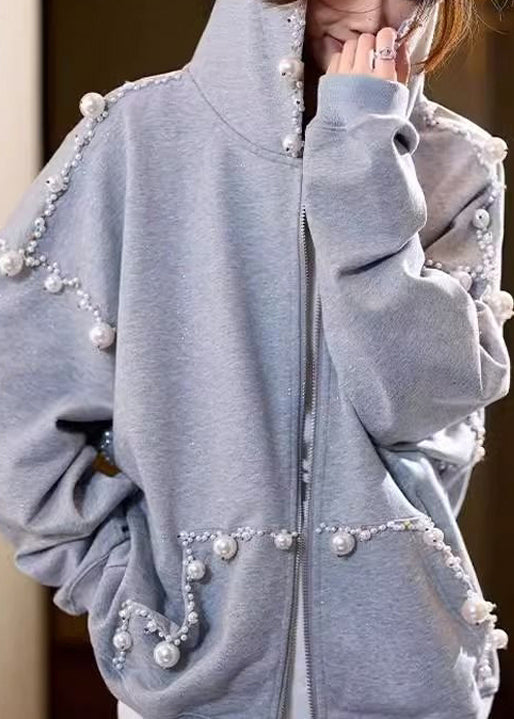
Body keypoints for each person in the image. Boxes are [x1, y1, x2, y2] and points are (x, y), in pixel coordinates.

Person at [0, 0, 512, 717]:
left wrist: (363, 150)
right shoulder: (135, 139)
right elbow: (17, 416)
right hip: (186, 675)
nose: (371, 10)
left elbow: (413, 409)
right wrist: (121, 587)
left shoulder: (457, 163)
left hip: (414, 678)